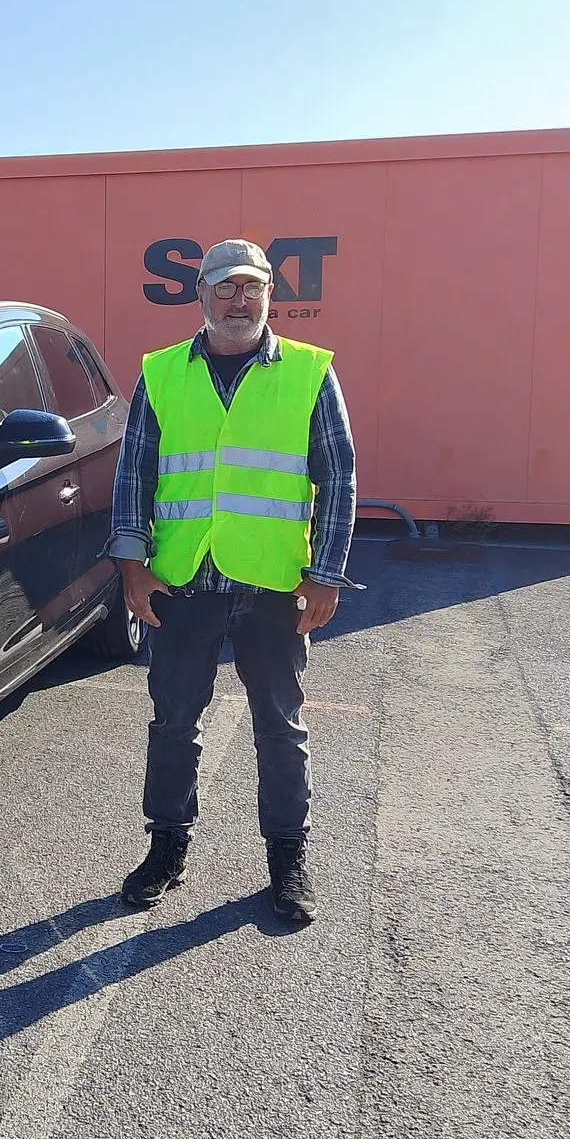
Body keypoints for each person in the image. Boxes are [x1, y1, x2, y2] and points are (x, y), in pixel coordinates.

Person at [107, 238, 358, 923]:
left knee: (280, 727)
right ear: (202, 295)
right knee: (173, 724)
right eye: (224, 287)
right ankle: (166, 848)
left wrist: (326, 575)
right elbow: (134, 474)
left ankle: (288, 859)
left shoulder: (309, 371)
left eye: (251, 287)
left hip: (273, 585)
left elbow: (338, 477)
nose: (238, 301)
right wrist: (132, 566)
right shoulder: (162, 373)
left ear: (270, 294)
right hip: (181, 583)